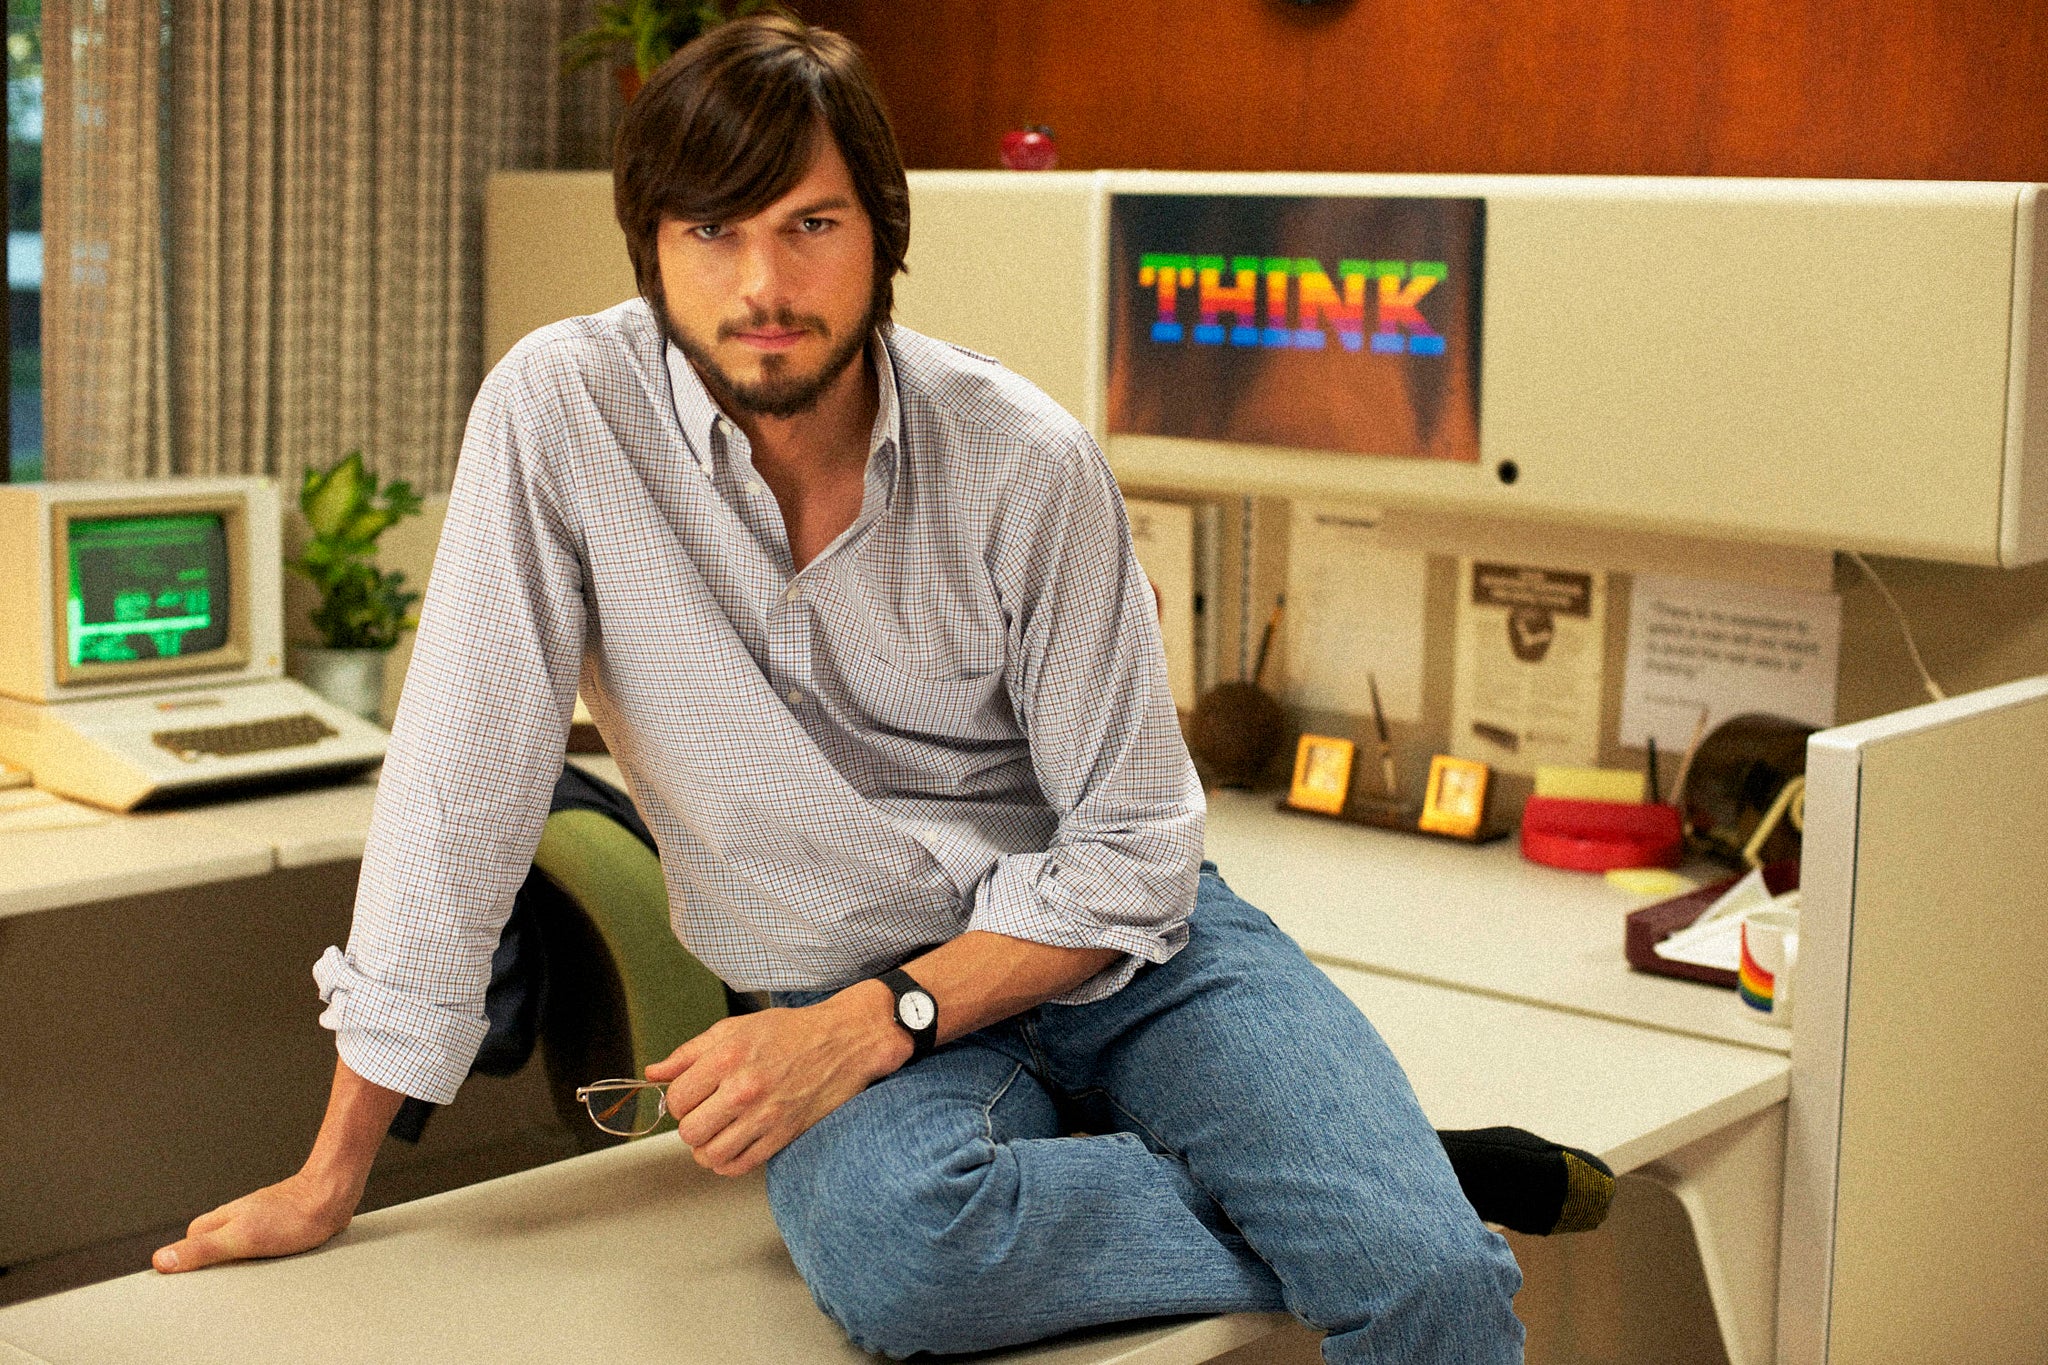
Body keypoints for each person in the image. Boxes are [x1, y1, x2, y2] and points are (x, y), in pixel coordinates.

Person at [151, 17, 1612, 1362]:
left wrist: (874, 1025)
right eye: (712, 232)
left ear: (882, 239)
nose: (764, 286)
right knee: (909, 1254)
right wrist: (333, 1170)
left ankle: (1374, 1207)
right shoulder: (558, 419)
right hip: (832, 964)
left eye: (811, 226)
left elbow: (1138, 853)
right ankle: (1369, 1188)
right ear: (652, 247)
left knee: (1430, 1283)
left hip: (1118, 953)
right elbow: (461, 784)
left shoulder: (1024, 461)